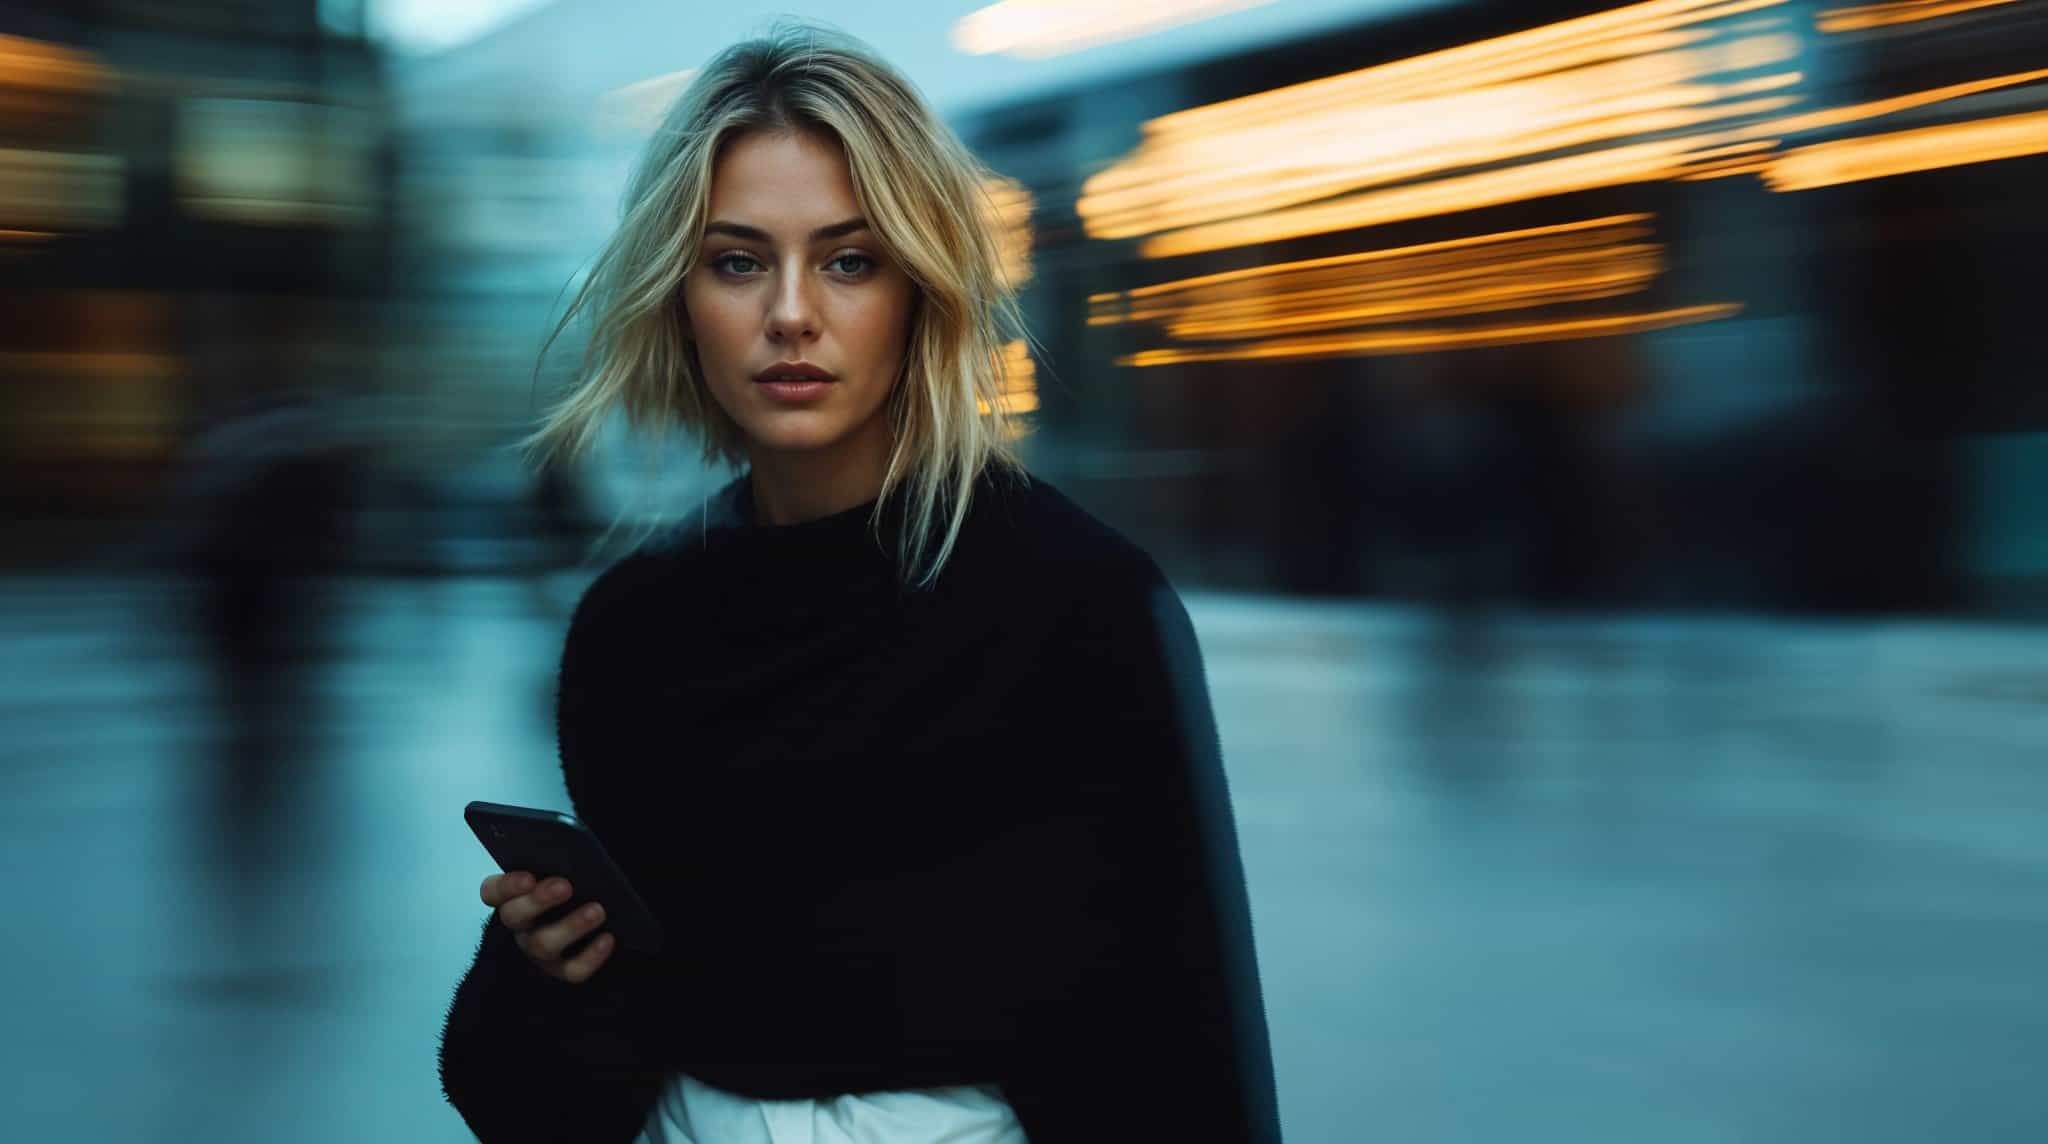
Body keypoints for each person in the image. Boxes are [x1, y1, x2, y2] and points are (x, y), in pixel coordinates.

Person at [435, 23, 1281, 1144]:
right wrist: (543, 969)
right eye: (738, 261)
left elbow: (1181, 1051)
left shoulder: (1076, 607)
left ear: (919, 287)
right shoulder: (635, 626)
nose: (791, 313)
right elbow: (551, 1101)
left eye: (849, 260)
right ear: (678, 295)